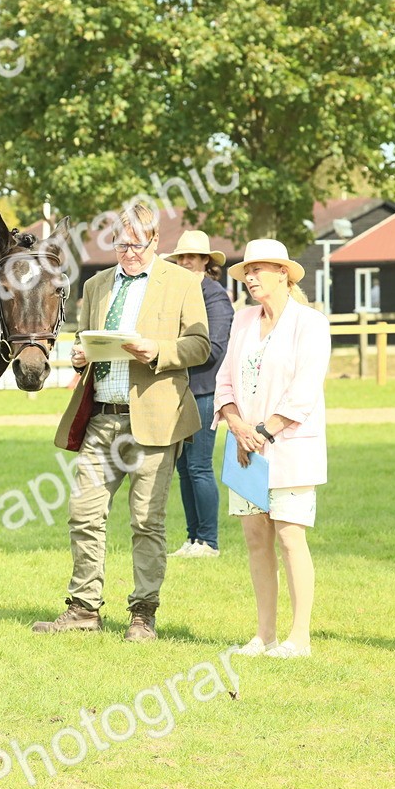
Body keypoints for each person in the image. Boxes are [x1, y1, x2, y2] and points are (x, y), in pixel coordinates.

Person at [34, 203, 209, 642]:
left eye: (136, 244)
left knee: (147, 521)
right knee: (83, 513)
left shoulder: (183, 283)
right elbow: (87, 340)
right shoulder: (96, 285)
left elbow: (201, 345)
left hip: (155, 418)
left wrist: (158, 351)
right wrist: (79, 353)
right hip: (102, 418)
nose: (127, 252)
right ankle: (83, 609)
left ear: (155, 243)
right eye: (120, 244)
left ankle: (142, 614)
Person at [213, 239, 328, 659]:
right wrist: (238, 425)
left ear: (284, 274)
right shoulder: (242, 320)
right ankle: (264, 635)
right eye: (247, 271)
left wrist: (262, 432)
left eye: (260, 269)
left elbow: (304, 391)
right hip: (244, 448)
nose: (251, 277)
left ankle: (300, 637)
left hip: (289, 447)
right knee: (255, 540)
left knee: (290, 537)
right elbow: (224, 380)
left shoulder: (310, 323)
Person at [165, 231, 235, 558]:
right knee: (183, 468)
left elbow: (215, 349)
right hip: (178, 391)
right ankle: (193, 538)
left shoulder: (215, 297)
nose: (185, 262)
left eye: (192, 257)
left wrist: (168, 352)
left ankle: (209, 541)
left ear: (207, 261)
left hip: (205, 392)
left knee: (199, 467)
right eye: (181, 257)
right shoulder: (176, 294)